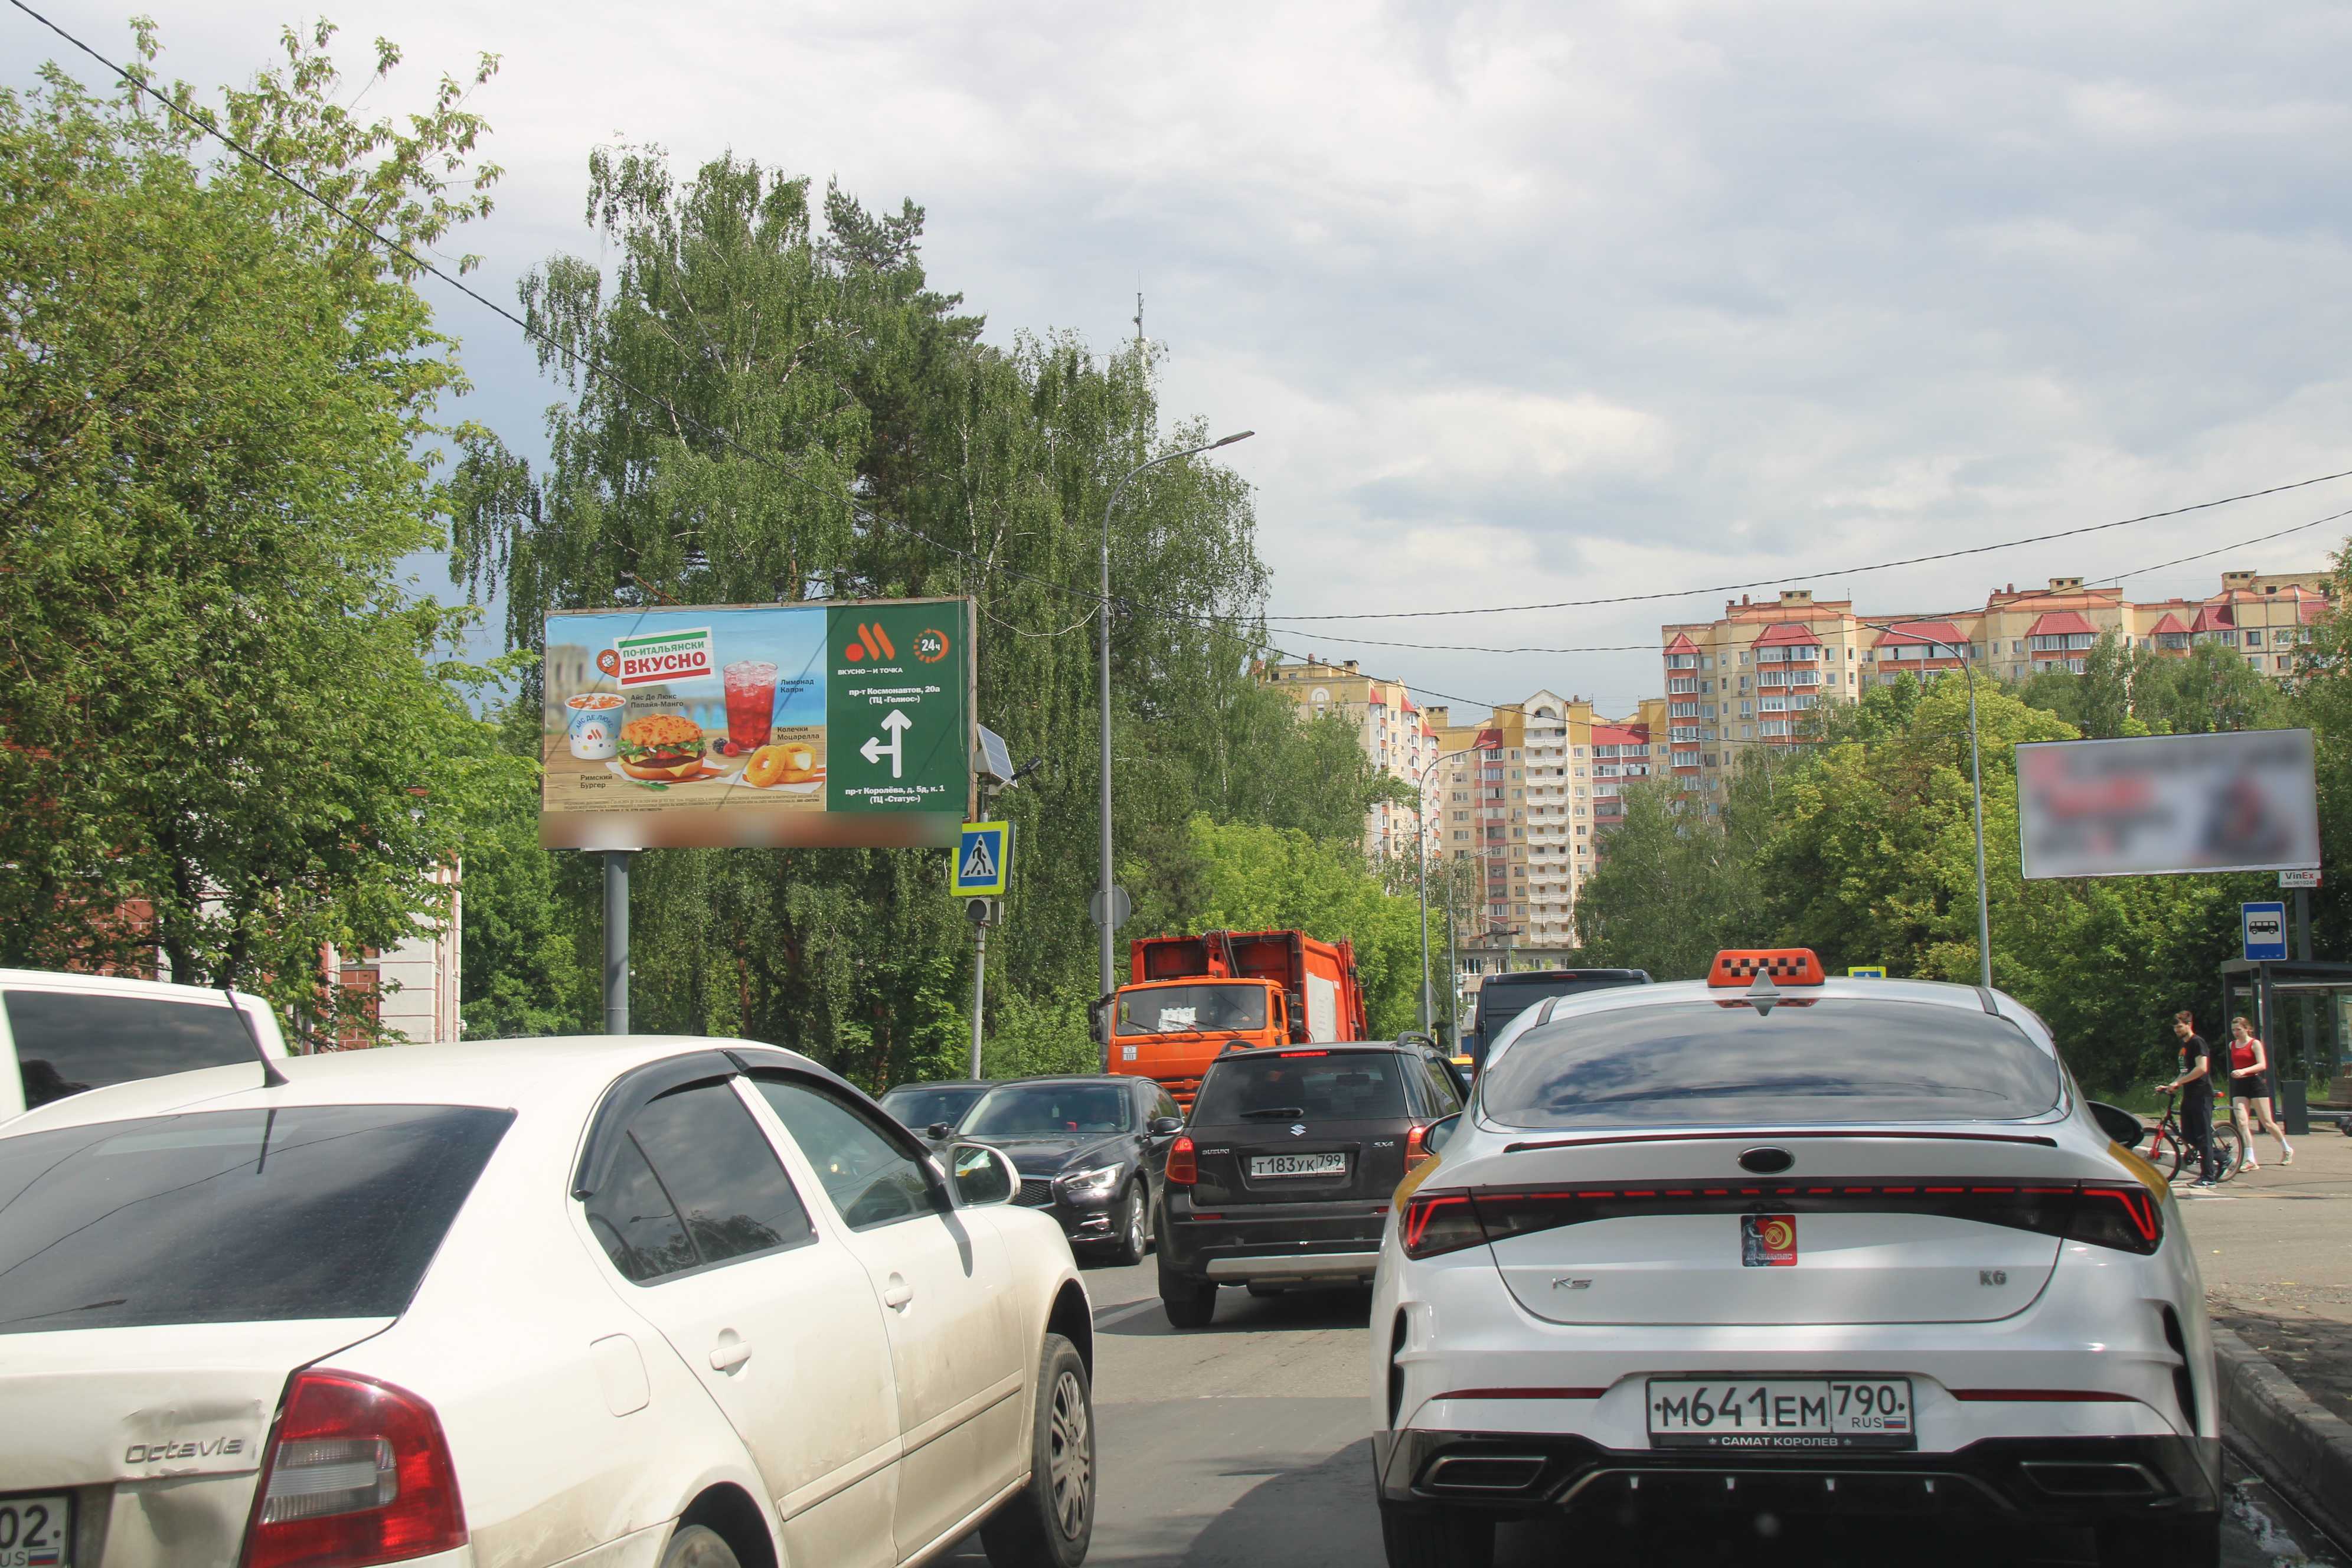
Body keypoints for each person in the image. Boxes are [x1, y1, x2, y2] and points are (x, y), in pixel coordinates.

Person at [2225, 1015, 2295, 1170]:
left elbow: (2262, 1065)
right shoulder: (2232, 1045)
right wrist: (2239, 1073)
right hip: (2240, 1085)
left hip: (2255, 1084)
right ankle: (2250, 1159)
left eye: (2239, 1030)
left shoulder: (2254, 1043)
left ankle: (2286, 1149)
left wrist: (2243, 1071)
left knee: (2267, 1122)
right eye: (2233, 1030)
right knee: (2242, 1122)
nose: (2236, 1033)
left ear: (2247, 1029)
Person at [2160, 1011, 2220, 1187]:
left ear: (2189, 1024)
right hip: (2189, 1094)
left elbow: (2202, 1068)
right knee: (2187, 1135)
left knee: (2203, 1135)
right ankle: (2223, 1158)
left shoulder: (2197, 1042)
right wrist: (2171, 1084)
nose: (2177, 1030)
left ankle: (2208, 1177)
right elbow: (2185, 1071)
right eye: (2175, 1028)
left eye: (2180, 1026)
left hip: (2202, 1094)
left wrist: (2179, 1082)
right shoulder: (2183, 1046)